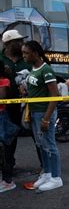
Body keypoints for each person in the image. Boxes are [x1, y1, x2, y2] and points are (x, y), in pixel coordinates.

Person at [22, 41, 63, 191]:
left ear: (35, 53)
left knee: (50, 146)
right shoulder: (33, 68)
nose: (24, 56)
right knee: (41, 145)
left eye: (26, 53)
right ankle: (47, 173)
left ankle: (56, 178)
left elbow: (55, 96)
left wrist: (46, 118)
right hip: (35, 112)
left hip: (44, 113)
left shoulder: (46, 70)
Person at [0, 30, 35, 171]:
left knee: (35, 135)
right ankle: (8, 166)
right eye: (18, 41)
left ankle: (46, 168)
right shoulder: (1, 59)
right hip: (6, 107)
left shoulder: (27, 58)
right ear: (8, 43)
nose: (21, 44)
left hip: (28, 104)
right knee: (8, 136)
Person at [0, 60, 17, 192]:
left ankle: (8, 180)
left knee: (5, 149)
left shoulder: (4, 81)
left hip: (2, 117)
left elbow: (2, 96)